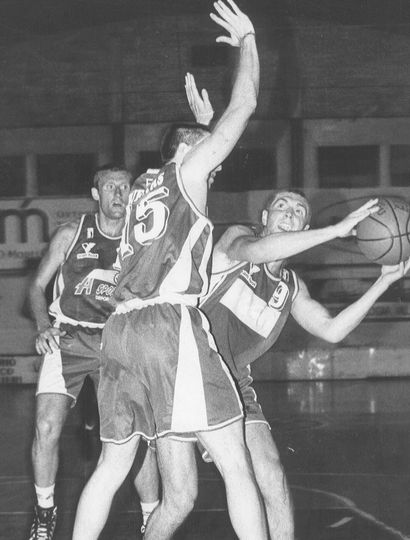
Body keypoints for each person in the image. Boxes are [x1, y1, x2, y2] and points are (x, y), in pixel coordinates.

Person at [72, 2, 268, 539]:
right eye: (207, 146)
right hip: (169, 330)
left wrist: (201, 126)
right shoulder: (188, 167)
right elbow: (246, 102)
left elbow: (186, 193)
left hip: (121, 332)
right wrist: (248, 39)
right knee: (236, 465)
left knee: (127, 472)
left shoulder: (142, 188)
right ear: (188, 151)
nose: (218, 153)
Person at [185, 76, 410, 539]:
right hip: (185, 366)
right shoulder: (235, 241)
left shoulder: (290, 285)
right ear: (263, 217)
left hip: (234, 382)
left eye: (298, 211)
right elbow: (256, 253)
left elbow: (330, 330)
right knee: (175, 496)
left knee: (271, 475)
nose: (289, 212)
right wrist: (335, 230)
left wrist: (383, 282)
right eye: (282, 206)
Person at [28, 164, 160, 540]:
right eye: (111, 187)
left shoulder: (141, 242)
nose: (119, 194)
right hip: (68, 338)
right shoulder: (71, 234)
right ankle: (45, 511)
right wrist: (42, 327)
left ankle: (152, 519)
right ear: (96, 194)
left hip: (117, 344)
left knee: (135, 441)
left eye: (125, 187)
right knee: (46, 425)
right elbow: (37, 286)